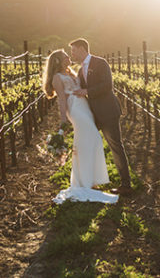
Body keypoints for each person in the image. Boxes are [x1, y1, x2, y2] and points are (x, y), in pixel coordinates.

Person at [42, 48, 118, 204]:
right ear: (57, 61)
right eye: (65, 56)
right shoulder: (57, 77)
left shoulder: (71, 72)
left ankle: (90, 180)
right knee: (91, 139)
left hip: (85, 106)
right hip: (75, 108)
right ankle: (84, 182)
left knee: (90, 141)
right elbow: (62, 99)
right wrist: (63, 120)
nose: (68, 57)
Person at [67, 37, 133, 195]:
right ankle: (88, 180)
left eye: (74, 51)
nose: (72, 54)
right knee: (87, 143)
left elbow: (107, 85)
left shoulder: (100, 63)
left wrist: (87, 91)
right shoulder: (81, 69)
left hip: (108, 112)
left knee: (115, 146)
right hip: (94, 114)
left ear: (82, 49)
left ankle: (126, 185)